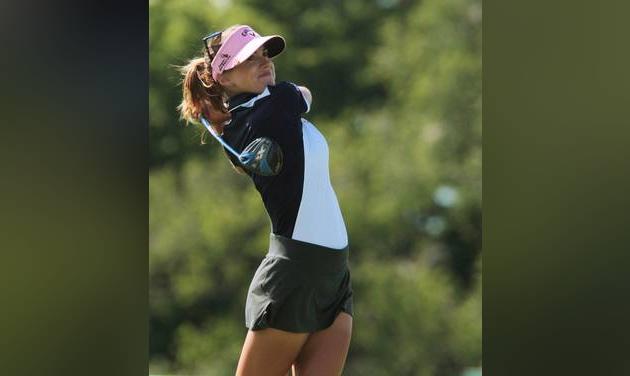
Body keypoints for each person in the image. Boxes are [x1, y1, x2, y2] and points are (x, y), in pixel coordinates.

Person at [177, 24, 353, 376]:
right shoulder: (273, 106)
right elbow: (305, 93)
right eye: (248, 59)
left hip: (333, 273)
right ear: (224, 78)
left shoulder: (256, 112)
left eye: (264, 54)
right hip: (295, 273)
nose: (264, 62)